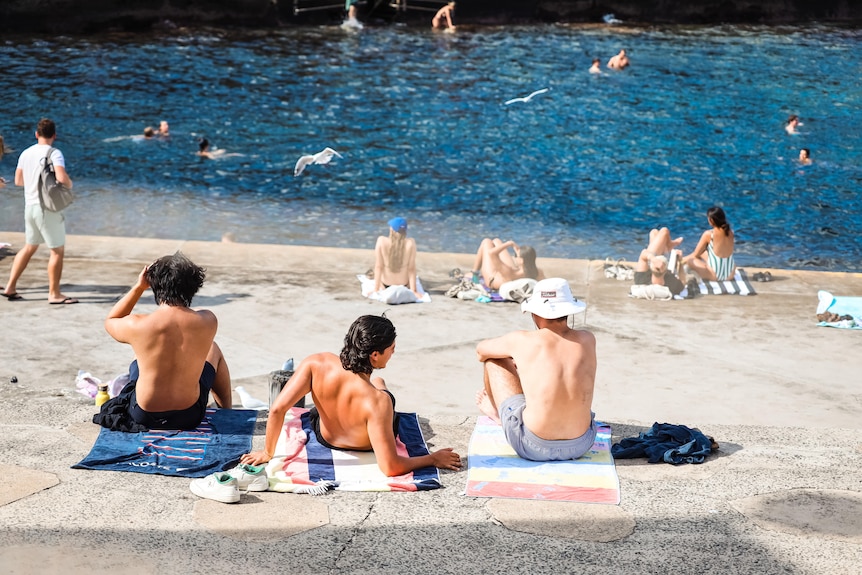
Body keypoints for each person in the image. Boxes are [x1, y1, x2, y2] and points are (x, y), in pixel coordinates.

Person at [240, 315, 462, 476]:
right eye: (391, 348)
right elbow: (390, 467)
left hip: (327, 437)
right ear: (375, 355)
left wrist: (267, 453)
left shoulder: (316, 363)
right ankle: (380, 385)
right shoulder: (378, 402)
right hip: (362, 443)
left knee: (365, 390)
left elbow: (278, 409)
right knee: (383, 392)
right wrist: (433, 458)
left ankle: (377, 384)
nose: (393, 352)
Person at [102, 252, 232, 430]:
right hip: (190, 415)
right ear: (194, 287)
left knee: (141, 356)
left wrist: (139, 287)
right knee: (213, 349)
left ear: (154, 285)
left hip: (143, 414)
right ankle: (227, 411)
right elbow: (192, 317)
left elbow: (111, 320)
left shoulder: (139, 325)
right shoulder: (208, 320)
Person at [475, 277, 597, 461]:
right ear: (569, 312)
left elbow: (481, 351)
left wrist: (515, 358)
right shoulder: (588, 339)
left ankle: (499, 416)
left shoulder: (522, 340)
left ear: (534, 313)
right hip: (581, 444)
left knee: (494, 359)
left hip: (533, 446)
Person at [2, 118, 77, 304]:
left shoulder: (26, 153)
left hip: (30, 207)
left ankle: (10, 286)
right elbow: (61, 177)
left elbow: (19, 181)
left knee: (29, 247)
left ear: (36, 134)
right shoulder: (54, 152)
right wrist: (69, 183)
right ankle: (54, 294)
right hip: (48, 209)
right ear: (54, 135)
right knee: (57, 251)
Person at [683, 206, 736, 282]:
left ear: (711, 220)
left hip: (715, 275)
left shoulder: (709, 234)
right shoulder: (731, 232)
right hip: (730, 274)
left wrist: (681, 260)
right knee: (703, 253)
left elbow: (695, 255)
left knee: (690, 260)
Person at [471, 238, 542, 291]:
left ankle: (475, 274)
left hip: (493, 279)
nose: (515, 258)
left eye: (516, 255)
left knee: (486, 242)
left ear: (521, 260)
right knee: (496, 241)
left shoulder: (509, 272)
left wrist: (509, 243)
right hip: (507, 275)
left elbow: (491, 253)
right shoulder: (537, 272)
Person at [373, 217, 420, 297]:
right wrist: (414, 291)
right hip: (404, 285)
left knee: (375, 269)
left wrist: (376, 290)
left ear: (392, 229)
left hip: (386, 285)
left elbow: (378, 267)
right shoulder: (410, 243)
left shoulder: (381, 241)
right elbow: (411, 269)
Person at [633, 227, 686, 296]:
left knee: (654, 232)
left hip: (651, 257)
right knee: (663, 231)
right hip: (654, 260)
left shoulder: (642, 279)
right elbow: (683, 282)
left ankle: (669, 245)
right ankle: (669, 245)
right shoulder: (671, 283)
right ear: (665, 270)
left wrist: (653, 259)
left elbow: (643, 253)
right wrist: (680, 262)